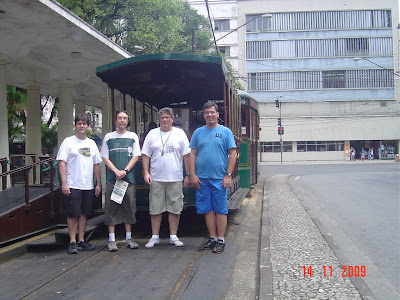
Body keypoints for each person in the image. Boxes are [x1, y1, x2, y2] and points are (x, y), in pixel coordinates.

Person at [189, 101, 237, 254]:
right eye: (206, 113)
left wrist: (228, 175)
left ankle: (221, 239)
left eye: (212, 112)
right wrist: (192, 174)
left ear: (217, 114)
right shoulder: (198, 133)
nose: (209, 115)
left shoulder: (225, 132)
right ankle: (212, 238)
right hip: (202, 179)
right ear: (204, 115)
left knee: (220, 209)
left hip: (219, 178)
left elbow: (233, 153)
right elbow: (192, 153)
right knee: (207, 209)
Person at [141, 108, 191, 248]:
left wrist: (188, 175)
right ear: (159, 120)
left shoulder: (179, 134)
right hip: (156, 177)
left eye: (167, 117)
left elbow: (186, 155)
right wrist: (146, 172)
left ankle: (173, 236)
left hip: (175, 177)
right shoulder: (152, 134)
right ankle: (155, 236)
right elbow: (145, 154)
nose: (164, 120)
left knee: (175, 208)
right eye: (162, 117)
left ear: (172, 119)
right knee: (155, 208)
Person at [56, 113, 102, 254]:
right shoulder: (68, 142)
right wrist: (64, 183)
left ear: (88, 126)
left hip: (87, 185)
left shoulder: (91, 143)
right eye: (79, 123)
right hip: (72, 184)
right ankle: (72, 241)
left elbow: (96, 165)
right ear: (75, 125)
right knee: (72, 214)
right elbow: (61, 163)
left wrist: (98, 184)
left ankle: (82, 240)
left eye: (84, 124)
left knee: (84, 214)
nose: (82, 126)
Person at [100, 111, 141, 252]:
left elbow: (136, 156)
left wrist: (125, 171)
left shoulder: (133, 136)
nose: (122, 120)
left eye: (125, 118)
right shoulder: (109, 137)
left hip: (128, 180)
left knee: (129, 207)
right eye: (119, 118)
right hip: (112, 179)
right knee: (111, 208)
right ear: (115, 120)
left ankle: (129, 238)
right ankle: (111, 240)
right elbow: (105, 157)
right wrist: (116, 172)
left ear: (128, 121)